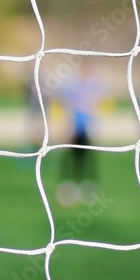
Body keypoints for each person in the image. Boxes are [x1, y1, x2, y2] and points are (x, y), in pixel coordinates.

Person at [56, 62, 106, 207]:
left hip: (88, 130)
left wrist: (97, 126)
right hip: (74, 129)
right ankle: (67, 190)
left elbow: (100, 107)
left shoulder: (96, 87)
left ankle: (88, 189)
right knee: (70, 162)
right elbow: (63, 105)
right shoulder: (72, 86)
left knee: (89, 162)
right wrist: (65, 127)